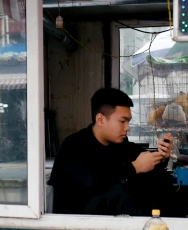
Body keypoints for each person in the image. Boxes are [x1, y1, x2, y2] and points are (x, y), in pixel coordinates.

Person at [50, 88, 174, 216]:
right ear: (100, 120)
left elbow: (143, 159)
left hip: (108, 218)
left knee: (161, 180)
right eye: (122, 121)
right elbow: (94, 181)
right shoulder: (73, 146)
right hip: (75, 222)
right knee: (118, 192)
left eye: (128, 122)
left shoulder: (118, 144)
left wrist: (162, 155)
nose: (127, 128)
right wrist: (135, 167)